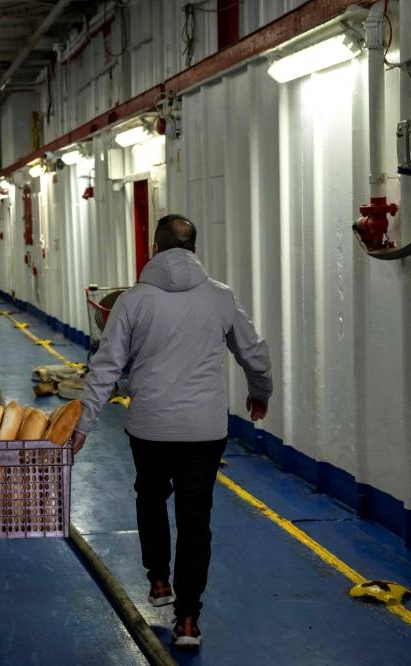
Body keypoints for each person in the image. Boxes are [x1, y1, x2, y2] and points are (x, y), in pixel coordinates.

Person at [71, 214, 272, 649]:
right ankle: (187, 621)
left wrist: (83, 424)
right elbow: (253, 351)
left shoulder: (133, 301)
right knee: (196, 519)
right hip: (204, 429)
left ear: (155, 249)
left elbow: (106, 367)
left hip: (151, 427)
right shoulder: (220, 297)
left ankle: (159, 579)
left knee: (150, 496)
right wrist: (261, 392)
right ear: (194, 249)